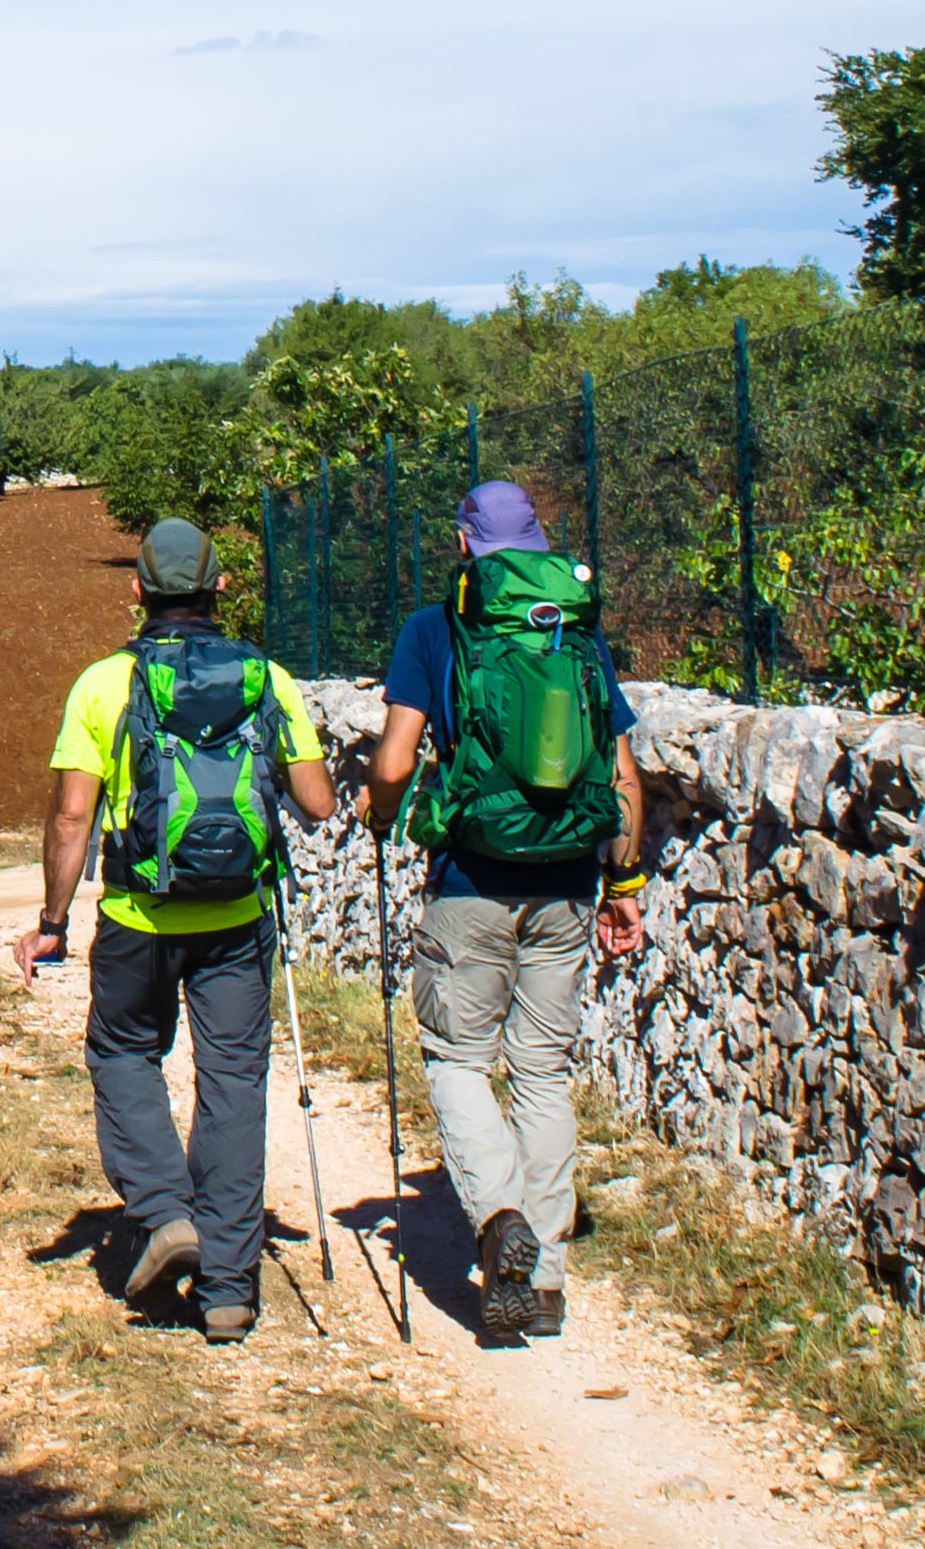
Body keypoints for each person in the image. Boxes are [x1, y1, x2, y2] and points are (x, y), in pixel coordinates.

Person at [14, 518, 338, 1344]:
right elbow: (316, 801)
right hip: (236, 917)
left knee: (123, 1052)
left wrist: (52, 921)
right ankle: (230, 1291)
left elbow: (71, 815)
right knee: (232, 1082)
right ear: (220, 586)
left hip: (135, 917)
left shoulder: (102, 686)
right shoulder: (268, 680)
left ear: (137, 591)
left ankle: (164, 1213)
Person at [356, 480, 649, 1344]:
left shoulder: (433, 626)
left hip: (469, 882)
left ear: (463, 543)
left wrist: (380, 819)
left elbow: (396, 760)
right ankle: (548, 1281)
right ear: (540, 541)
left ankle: (497, 1220)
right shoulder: (579, 631)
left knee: (456, 1058)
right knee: (543, 1074)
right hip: (567, 883)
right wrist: (623, 888)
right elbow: (624, 775)